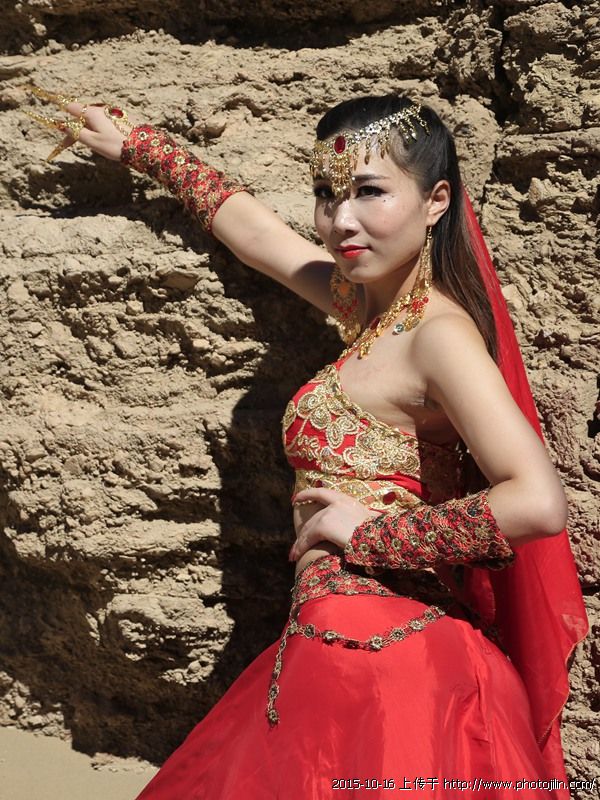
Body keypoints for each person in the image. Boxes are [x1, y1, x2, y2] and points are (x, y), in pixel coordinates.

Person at [24, 89, 588, 799]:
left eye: (370, 192)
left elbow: (537, 502)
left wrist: (373, 533)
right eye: (326, 194)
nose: (340, 220)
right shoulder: (372, 313)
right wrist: (142, 147)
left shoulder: (438, 336)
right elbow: (261, 239)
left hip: (393, 667)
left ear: (437, 201)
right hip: (336, 650)